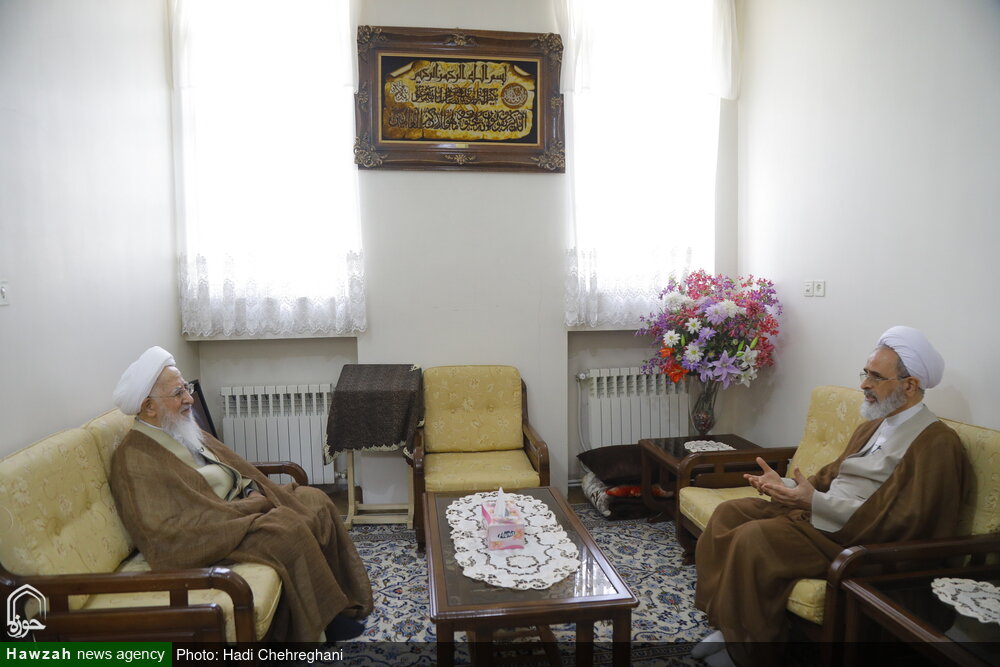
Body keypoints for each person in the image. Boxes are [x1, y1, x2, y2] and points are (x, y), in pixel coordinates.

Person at [691, 326, 970, 666]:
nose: (864, 385)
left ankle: (747, 652)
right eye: (865, 373)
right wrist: (787, 487)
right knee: (729, 515)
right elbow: (832, 475)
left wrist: (813, 503)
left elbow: (908, 520)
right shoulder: (875, 423)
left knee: (756, 538)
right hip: (822, 518)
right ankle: (728, 624)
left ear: (909, 386)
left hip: (859, 540)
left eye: (876, 377)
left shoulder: (936, 442)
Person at [109, 346, 373, 643]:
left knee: (317, 501)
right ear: (148, 407)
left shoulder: (178, 427)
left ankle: (337, 604)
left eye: (186, 389)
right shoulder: (134, 459)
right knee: (287, 531)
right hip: (212, 526)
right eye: (178, 393)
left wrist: (253, 495)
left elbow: (230, 466)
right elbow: (164, 531)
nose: (189, 399)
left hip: (236, 504)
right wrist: (247, 509)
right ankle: (320, 625)